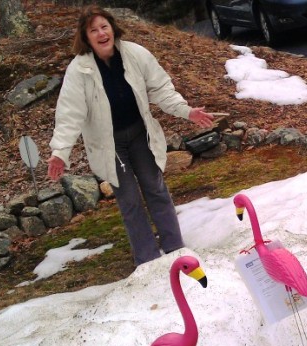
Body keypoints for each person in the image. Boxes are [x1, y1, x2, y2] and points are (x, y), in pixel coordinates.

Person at [47, 5, 214, 266]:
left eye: (104, 27)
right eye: (94, 30)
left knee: (155, 187)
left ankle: (175, 249)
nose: (101, 33)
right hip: (110, 146)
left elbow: (161, 89)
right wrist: (60, 152)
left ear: (113, 28)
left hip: (139, 135)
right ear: (86, 37)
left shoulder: (136, 54)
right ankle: (147, 260)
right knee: (129, 200)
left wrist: (187, 111)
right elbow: (70, 116)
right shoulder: (79, 71)